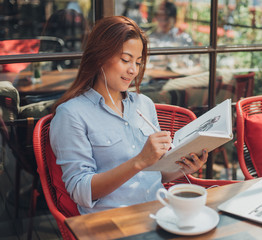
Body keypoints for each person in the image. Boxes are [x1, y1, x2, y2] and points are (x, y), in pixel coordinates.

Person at [49, 16, 208, 215]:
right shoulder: (71, 115)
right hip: (114, 222)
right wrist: (139, 161)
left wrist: (185, 167)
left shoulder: (144, 104)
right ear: (100, 56)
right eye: (125, 60)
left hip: (160, 212)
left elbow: (154, 173)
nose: (133, 70)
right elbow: (81, 192)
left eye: (138, 62)